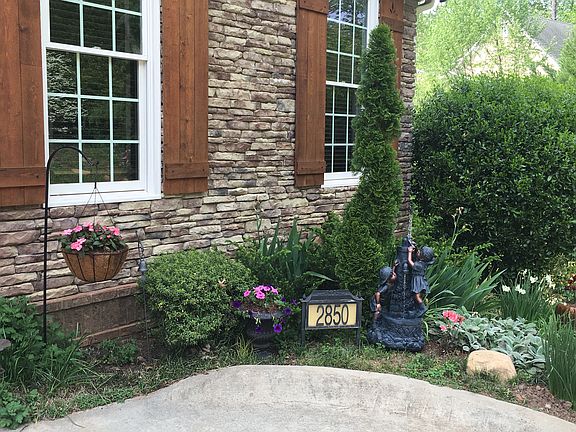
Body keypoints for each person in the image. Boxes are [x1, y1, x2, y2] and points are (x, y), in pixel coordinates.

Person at [407, 245, 434, 316]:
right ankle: (416, 309)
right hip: (417, 280)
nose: (418, 252)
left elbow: (410, 262)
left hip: (418, 282)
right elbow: (416, 256)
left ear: (422, 257)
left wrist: (409, 252)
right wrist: (415, 248)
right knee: (414, 296)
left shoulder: (420, 265)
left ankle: (422, 308)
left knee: (416, 296)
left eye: (419, 252)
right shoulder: (422, 262)